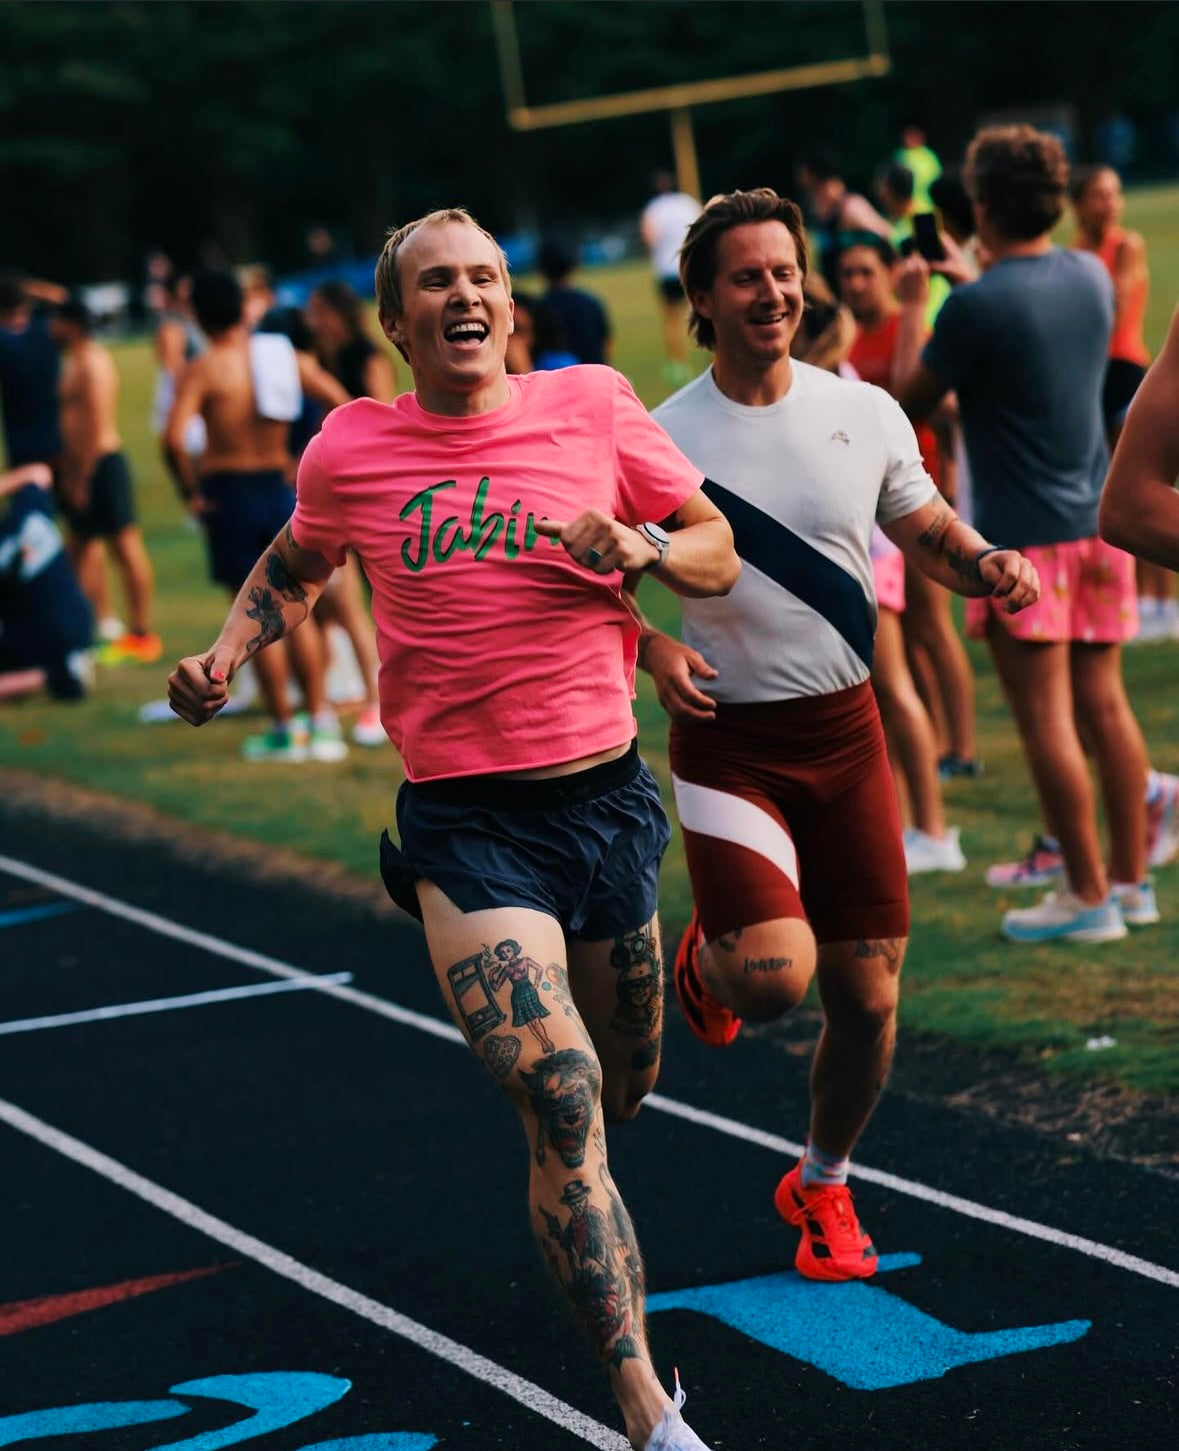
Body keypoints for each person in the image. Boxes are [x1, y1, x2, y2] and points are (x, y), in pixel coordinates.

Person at [168, 205, 740, 1451]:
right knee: (562, 1089)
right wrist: (224, 653)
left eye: (484, 276)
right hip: (469, 823)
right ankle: (646, 1405)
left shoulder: (591, 405)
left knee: (629, 1081)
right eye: (437, 283)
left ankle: (677, 976)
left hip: (605, 801)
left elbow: (717, 549)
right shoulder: (352, 447)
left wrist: (641, 543)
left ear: (511, 304)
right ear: (395, 320)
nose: (466, 296)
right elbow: (299, 561)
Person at [628, 188, 1036, 1285]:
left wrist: (986, 562)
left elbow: (928, 528)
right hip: (731, 746)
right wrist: (652, 649)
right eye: (745, 276)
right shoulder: (657, 435)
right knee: (771, 979)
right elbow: (586, 579)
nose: (772, 292)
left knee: (868, 998)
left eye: (783, 271)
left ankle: (823, 1180)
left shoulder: (864, 409)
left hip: (847, 737)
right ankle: (714, 954)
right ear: (702, 298)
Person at [896, 123, 1157, 941]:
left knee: (1046, 720)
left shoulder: (971, 307)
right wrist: (968, 279)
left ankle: (1084, 896)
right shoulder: (1089, 273)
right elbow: (1028, 333)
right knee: (1105, 709)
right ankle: (1130, 885)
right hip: (1097, 527)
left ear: (978, 205)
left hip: (1019, 542)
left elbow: (904, 401)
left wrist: (911, 304)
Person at [164, 267, 352, 763]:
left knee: (248, 617)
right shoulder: (281, 357)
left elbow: (173, 437)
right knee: (296, 607)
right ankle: (320, 719)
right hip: (278, 486)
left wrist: (190, 492)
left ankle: (284, 727)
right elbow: (339, 402)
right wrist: (308, 457)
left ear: (198, 315)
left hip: (229, 493)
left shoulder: (204, 368)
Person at [838, 233, 980, 783]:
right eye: (848, 274)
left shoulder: (909, 327)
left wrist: (948, 481)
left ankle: (961, 747)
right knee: (905, 639)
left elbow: (939, 409)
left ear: (889, 275)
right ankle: (933, 741)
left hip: (917, 495)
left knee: (933, 627)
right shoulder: (842, 341)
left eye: (866, 272)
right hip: (869, 505)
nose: (856, 284)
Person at [1070, 165, 1172, 640]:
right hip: (1093, 376)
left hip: (1126, 370)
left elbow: (1114, 307)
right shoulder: (1074, 255)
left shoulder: (1125, 246)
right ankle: (1139, 600)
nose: (1109, 204)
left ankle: (1162, 601)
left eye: (1114, 194)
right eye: (1098, 195)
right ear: (1077, 203)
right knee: (1115, 492)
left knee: (1144, 486)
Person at [304, 279, 398, 746]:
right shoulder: (320, 359)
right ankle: (334, 696)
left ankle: (377, 702)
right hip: (331, 488)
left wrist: (324, 388)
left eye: (318, 311)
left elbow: (378, 423)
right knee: (326, 603)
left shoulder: (367, 358)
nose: (312, 320)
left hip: (368, 488)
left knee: (358, 601)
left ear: (338, 314)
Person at [50, 297, 162, 665]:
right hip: (81, 469)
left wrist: (82, 478)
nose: (51, 327)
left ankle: (141, 634)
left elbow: (96, 427)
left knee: (125, 548)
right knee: (78, 549)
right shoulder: (74, 359)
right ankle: (79, 630)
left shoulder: (93, 362)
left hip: (101, 466)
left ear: (72, 324)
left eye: (56, 320)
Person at [0, 462, 93, 702]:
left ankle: (52, 676)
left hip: (43, 637)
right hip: (77, 624)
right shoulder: (27, 511)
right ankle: (62, 670)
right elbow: (38, 473)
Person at [795, 147, 891, 292]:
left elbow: (887, 236)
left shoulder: (851, 207)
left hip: (859, 293)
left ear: (812, 173)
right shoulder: (818, 211)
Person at [640, 170, 702, 386]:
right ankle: (714, 357)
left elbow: (650, 238)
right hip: (690, 267)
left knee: (671, 320)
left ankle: (678, 365)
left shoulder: (653, 208)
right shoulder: (687, 202)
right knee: (704, 314)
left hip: (666, 269)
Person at [0, 272, 64, 480]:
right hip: (59, 440)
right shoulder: (47, 330)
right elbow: (61, 297)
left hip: (22, 446)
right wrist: (27, 287)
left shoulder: (4, 343)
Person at [537, 234, 613, 365]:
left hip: (556, 376)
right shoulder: (591, 303)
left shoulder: (538, 309)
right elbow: (607, 346)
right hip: (592, 373)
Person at [894, 121, 942, 211]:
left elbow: (937, 180)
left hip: (927, 206)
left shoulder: (929, 156)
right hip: (904, 208)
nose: (910, 138)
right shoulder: (900, 155)